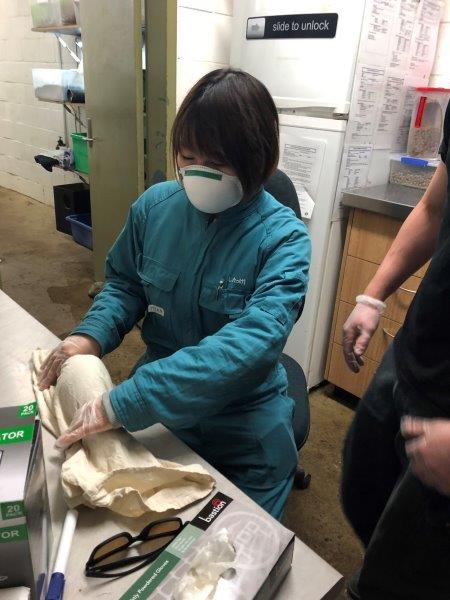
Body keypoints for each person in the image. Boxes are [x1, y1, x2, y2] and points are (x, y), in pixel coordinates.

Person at [38, 68, 311, 520]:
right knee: (122, 523)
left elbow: (251, 344)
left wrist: (124, 402)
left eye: (218, 163)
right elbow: (125, 283)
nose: (199, 172)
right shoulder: (155, 208)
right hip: (162, 416)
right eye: (188, 157)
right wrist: (89, 336)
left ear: (257, 160)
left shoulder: (284, 240)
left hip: (242, 429)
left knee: (226, 550)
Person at [341, 100, 450, 599]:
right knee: (361, 487)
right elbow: (433, 207)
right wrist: (373, 295)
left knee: (398, 579)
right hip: (415, 354)